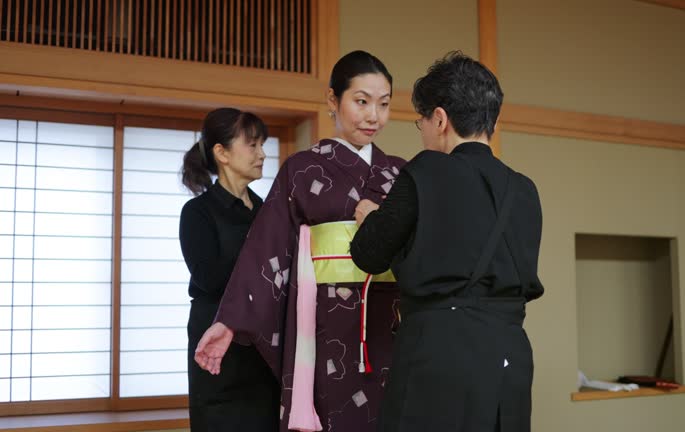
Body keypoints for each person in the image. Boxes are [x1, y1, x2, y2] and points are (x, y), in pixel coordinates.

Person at [194, 51, 407, 432]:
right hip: (328, 323)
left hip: (389, 319)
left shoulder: (401, 173)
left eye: (384, 104)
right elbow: (266, 248)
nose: (374, 115)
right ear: (332, 101)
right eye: (361, 101)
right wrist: (230, 321)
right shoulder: (302, 168)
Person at [350, 52, 544, 432]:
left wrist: (370, 218)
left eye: (420, 121)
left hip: (440, 353)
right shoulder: (524, 189)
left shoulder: (427, 170)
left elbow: (369, 254)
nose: (421, 131)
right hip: (510, 355)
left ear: (439, 119)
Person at [179, 108, 280, 431]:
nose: (262, 154)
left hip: (264, 347)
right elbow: (210, 278)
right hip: (217, 346)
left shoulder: (268, 212)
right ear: (221, 152)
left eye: (262, 145)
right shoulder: (197, 212)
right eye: (252, 145)